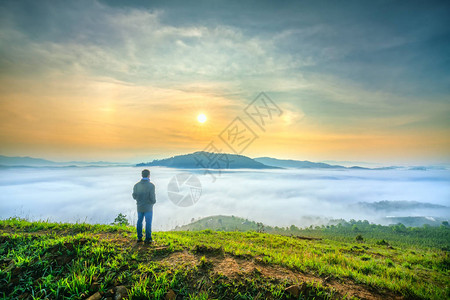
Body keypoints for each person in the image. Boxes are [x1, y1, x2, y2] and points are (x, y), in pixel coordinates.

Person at [132, 169, 156, 244]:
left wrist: (139, 200)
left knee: (139, 221)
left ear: (141, 175)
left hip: (139, 206)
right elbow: (152, 197)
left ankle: (139, 237)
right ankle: (148, 238)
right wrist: (153, 202)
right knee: (148, 222)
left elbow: (134, 196)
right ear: (149, 175)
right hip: (148, 207)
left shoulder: (136, 185)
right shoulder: (151, 185)